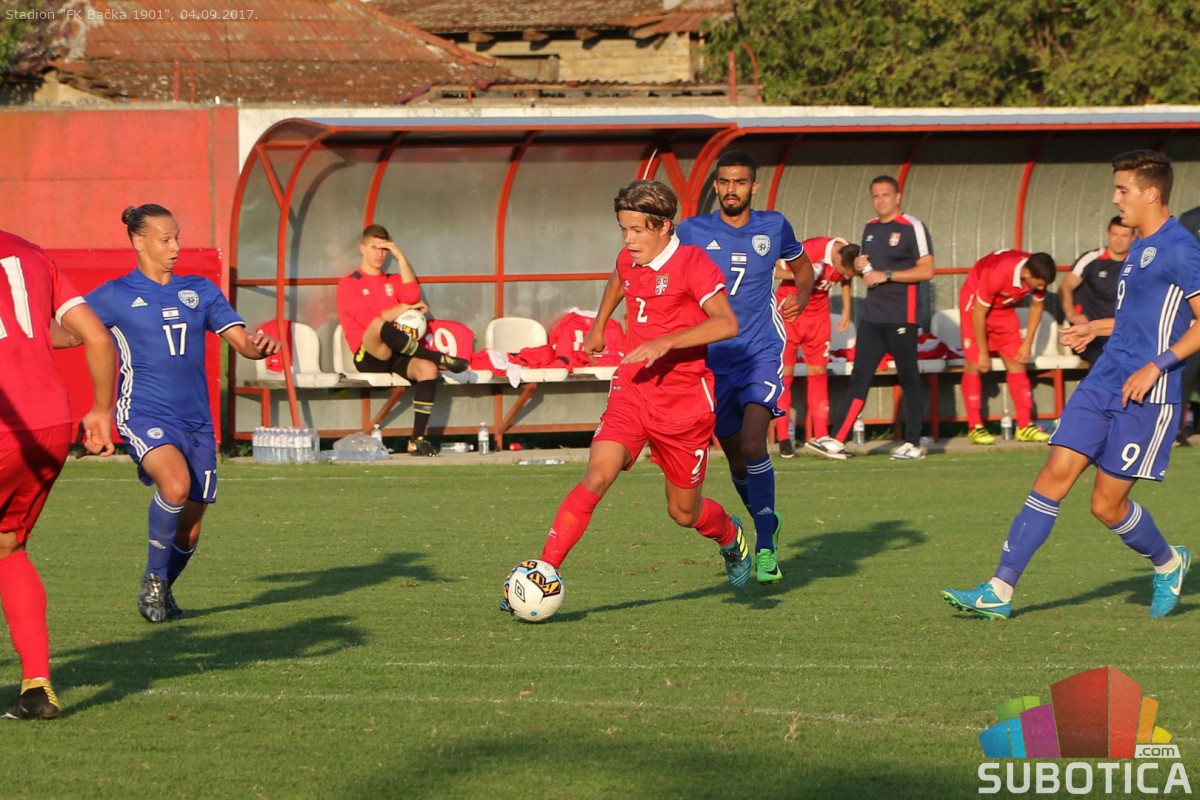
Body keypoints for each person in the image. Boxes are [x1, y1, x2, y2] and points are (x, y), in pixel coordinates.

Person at [941, 150, 1200, 620]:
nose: (1115, 198)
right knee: (1052, 476)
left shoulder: (1181, 248)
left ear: (1150, 193)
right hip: (1104, 380)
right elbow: (1141, 319)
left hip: (1147, 394)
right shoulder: (1139, 246)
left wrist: (1156, 367)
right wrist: (1095, 328)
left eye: (1123, 189)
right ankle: (999, 589)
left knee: (1106, 506)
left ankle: (1167, 561)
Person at [502, 179, 746, 610]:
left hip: (684, 406)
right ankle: (543, 572)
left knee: (683, 513)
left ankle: (729, 535)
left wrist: (667, 342)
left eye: (636, 230)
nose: (628, 240)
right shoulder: (629, 257)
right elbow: (619, 278)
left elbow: (727, 323)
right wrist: (599, 325)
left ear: (664, 226)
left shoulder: (694, 264)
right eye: (623, 229)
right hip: (632, 389)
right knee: (597, 476)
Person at [85, 204, 281, 624]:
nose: (175, 246)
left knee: (189, 528)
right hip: (143, 412)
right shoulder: (114, 294)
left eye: (177, 237)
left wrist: (258, 346)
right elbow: (64, 331)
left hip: (197, 420)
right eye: (166, 239)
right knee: (175, 486)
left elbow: (242, 342)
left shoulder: (200, 290)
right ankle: (154, 582)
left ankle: (163, 588)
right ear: (139, 242)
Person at [675, 149, 811, 585]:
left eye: (739, 182)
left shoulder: (774, 226)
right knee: (735, 458)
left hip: (760, 351)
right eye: (724, 182)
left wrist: (802, 295)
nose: (731, 189)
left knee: (754, 443)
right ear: (715, 186)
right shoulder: (692, 230)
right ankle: (766, 521)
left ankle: (766, 547)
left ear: (754, 186)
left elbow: (803, 268)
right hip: (714, 360)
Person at [1, 229, 116, 719]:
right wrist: (102, 412)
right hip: (48, 425)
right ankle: (36, 687)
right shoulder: (30, 252)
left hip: (5, 422)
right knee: (8, 546)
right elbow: (97, 337)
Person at [807, 175, 934, 461]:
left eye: (885, 195)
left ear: (897, 197)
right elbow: (866, 271)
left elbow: (927, 270)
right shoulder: (870, 227)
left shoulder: (912, 227)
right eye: (875, 196)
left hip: (901, 315)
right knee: (860, 377)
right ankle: (837, 440)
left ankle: (913, 442)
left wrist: (886, 275)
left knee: (908, 377)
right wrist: (860, 266)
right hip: (872, 316)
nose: (880, 200)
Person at [336, 225, 468, 457]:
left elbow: (412, 296)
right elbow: (370, 320)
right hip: (369, 354)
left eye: (385, 249)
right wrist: (404, 308)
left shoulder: (393, 280)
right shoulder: (350, 282)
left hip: (399, 351)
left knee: (427, 369)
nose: (379, 254)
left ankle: (417, 440)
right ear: (362, 248)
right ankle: (438, 356)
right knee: (378, 324)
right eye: (375, 247)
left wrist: (400, 257)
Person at [958, 249, 1058, 445]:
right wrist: (983, 352)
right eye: (1039, 284)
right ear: (1026, 274)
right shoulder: (997, 273)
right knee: (974, 363)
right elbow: (979, 313)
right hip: (975, 306)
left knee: (1017, 362)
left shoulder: (1036, 271)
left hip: (1003, 309)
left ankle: (1024, 426)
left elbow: (1037, 306)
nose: (1042, 288)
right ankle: (974, 426)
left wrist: (1027, 343)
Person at [774, 236, 857, 457]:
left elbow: (846, 278)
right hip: (791, 313)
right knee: (785, 375)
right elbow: (774, 269)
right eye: (843, 271)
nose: (844, 276)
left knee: (819, 373)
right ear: (836, 259)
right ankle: (784, 438)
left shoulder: (847, 252)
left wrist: (847, 310)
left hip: (818, 318)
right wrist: (803, 274)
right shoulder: (809, 250)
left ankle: (821, 436)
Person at [1059, 216, 1133, 367]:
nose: (1119, 240)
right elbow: (1066, 286)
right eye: (1115, 235)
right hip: (1089, 333)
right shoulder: (1092, 259)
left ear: (1133, 238)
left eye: (1124, 236)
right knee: (1107, 362)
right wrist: (1071, 314)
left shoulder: (1137, 263)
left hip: (1122, 332)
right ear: (1108, 235)